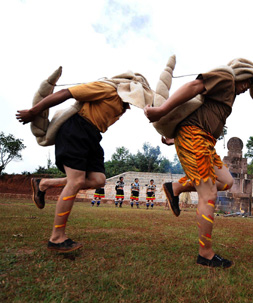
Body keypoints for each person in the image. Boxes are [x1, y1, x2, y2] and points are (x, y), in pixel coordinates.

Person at [145, 57, 253, 268]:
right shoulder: (226, 77)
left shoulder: (228, 93)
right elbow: (193, 86)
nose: (246, 87)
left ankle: (174, 188)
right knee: (209, 193)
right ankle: (205, 253)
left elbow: (199, 111)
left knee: (227, 181)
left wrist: (176, 136)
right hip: (195, 137)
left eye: (250, 85)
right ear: (241, 73)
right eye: (247, 81)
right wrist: (162, 111)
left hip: (205, 142)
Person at [16, 69, 152, 253]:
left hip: (93, 136)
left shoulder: (122, 105)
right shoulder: (107, 89)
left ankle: (44, 184)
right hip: (76, 129)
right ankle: (56, 238)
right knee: (77, 181)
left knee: (98, 180)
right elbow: (66, 93)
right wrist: (34, 111)